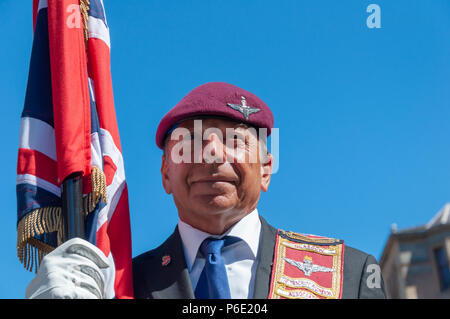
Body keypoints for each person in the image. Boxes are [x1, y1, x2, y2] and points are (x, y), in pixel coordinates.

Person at [26, 82, 386, 299]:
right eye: (191, 142)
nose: (212, 154)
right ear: (166, 174)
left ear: (266, 170)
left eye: (234, 140)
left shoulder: (348, 275)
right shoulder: (117, 287)